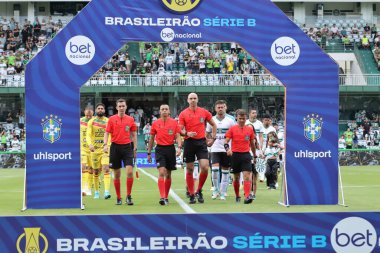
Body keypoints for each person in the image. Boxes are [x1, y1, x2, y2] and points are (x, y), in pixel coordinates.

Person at [178, 93, 217, 204]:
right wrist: (187, 133)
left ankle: (199, 190)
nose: (193, 100)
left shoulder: (204, 112)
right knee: (190, 169)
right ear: (187, 100)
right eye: (191, 98)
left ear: (197, 99)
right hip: (189, 142)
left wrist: (213, 139)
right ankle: (191, 194)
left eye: (195, 98)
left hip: (201, 142)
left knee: (205, 167)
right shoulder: (183, 114)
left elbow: (213, 125)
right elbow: (180, 130)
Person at [104, 98, 137, 205]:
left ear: (126, 107)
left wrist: (135, 148)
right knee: (117, 174)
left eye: (123, 106)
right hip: (115, 148)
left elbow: (134, 134)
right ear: (116, 107)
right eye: (120, 106)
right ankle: (118, 197)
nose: (122, 108)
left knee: (130, 172)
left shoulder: (130, 119)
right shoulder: (112, 119)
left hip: (127, 147)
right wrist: (105, 145)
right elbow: (107, 132)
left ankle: (129, 196)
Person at [147, 104, 182, 205]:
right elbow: (151, 139)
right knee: (162, 172)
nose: (164, 111)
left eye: (166, 109)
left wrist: (179, 147)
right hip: (160, 149)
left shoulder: (174, 123)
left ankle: (166, 196)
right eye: (162, 109)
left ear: (169, 111)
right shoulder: (155, 123)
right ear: (159, 111)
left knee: (168, 174)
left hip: (170, 149)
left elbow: (178, 136)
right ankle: (162, 197)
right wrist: (149, 153)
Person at [224, 109, 256, 204]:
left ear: (246, 118)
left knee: (247, 176)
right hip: (235, 155)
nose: (242, 120)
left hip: (246, 155)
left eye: (243, 118)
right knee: (236, 177)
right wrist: (227, 149)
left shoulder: (249, 130)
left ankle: (246, 196)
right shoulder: (232, 129)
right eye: (240, 118)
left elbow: (252, 144)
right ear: (236, 118)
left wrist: (254, 155)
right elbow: (226, 141)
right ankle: (237, 195)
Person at [206, 100, 235, 200]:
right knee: (214, 170)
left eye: (222, 107)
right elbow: (207, 133)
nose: (220, 109)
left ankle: (223, 192)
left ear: (225, 107)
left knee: (225, 171)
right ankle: (216, 190)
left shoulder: (231, 120)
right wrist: (209, 141)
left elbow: (234, 134)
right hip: (214, 148)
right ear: (215, 108)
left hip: (226, 149)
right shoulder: (211, 120)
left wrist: (232, 148)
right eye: (218, 107)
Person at [87, 103, 111, 200]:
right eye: (98, 108)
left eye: (102, 108)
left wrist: (107, 145)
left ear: (104, 110)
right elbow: (88, 135)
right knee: (96, 172)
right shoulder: (91, 121)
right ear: (96, 110)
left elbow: (110, 134)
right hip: (94, 151)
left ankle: (106, 192)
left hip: (105, 149)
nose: (100, 110)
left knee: (106, 168)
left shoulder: (108, 121)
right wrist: (90, 144)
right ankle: (96, 192)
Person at [80, 106, 94, 196]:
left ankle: (88, 188)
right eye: (87, 114)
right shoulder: (80, 121)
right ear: (84, 112)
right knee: (83, 167)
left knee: (91, 169)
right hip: (83, 149)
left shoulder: (95, 121)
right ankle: (83, 188)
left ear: (93, 113)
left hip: (93, 149)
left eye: (90, 114)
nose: (88, 116)